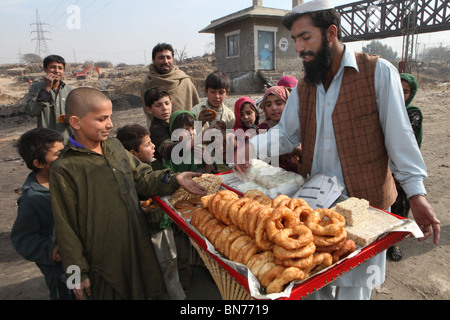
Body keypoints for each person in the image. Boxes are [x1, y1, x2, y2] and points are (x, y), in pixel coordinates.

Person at [235, 0, 440, 300]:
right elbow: (286, 135)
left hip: (364, 213)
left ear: (330, 33)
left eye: (305, 37)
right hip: (316, 208)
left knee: (354, 289)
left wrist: (417, 195)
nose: (298, 47)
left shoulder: (377, 73)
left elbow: (401, 139)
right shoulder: (305, 86)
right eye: (295, 39)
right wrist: (246, 146)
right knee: (314, 283)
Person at [49, 87, 206, 300]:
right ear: (76, 122)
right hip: (103, 261)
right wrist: (77, 274)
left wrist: (173, 179)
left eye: (110, 117)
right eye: (102, 119)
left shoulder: (113, 146)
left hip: (138, 244)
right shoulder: (65, 169)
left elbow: (142, 178)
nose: (110, 124)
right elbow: (65, 225)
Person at [116, 124, 186, 299]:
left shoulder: (155, 166)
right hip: (149, 232)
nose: (153, 146)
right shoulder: (125, 177)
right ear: (133, 154)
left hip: (161, 226)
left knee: (170, 266)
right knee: (157, 268)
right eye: (147, 144)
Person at [10, 128, 73, 300]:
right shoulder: (33, 198)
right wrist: (50, 250)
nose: (65, 157)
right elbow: (22, 238)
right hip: (62, 270)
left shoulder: (66, 179)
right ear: (38, 163)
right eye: (58, 154)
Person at [388, 73, 423, 261]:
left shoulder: (412, 113)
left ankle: (395, 243)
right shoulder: (384, 110)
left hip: (400, 169)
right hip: (383, 169)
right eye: (397, 90)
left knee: (400, 207)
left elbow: (405, 146)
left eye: (405, 91)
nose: (400, 95)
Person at [140, 43, 200, 126]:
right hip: (160, 133)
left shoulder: (184, 81)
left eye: (168, 57)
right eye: (161, 58)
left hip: (187, 131)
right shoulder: (147, 85)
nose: (165, 61)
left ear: (173, 59)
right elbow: (149, 112)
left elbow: (197, 108)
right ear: (153, 60)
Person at [25, 55, 74, 143]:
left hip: (67, 142)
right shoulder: (36, 88)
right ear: (45, 69)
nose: (57, 71)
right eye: (53, 67)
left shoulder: (70, 91)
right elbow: (31, 111)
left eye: (60, 68)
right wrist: (46, 89)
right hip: (46, 142)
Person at [258, 86, 301, 173]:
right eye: (269, 105)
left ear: (288, 104)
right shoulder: (261, 129)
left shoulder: (298, 126)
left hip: (299, 177)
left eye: (278, 103)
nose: (274, 108)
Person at [143, 86, 173, 168]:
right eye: (158, 105)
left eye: (167, 103)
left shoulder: (174, 121)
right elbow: (169, 151)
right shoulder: (156, 129)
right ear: (149, 109)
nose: (165, 108)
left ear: (171, 103)